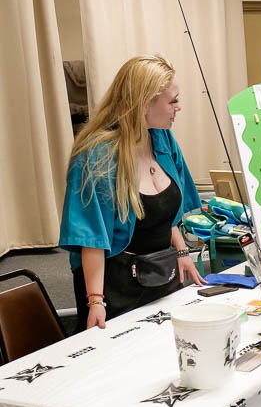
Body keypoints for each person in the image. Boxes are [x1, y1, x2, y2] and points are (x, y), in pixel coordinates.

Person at [59, 54, 205, 331]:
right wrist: (95, 302)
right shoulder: (96, 156)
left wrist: (183, 251)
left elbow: (166, 211)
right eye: (173, 100)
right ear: (144, 102)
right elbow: (91, 237)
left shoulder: (161, 137)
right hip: (115, 287)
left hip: (161, 274)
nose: (179, 107)